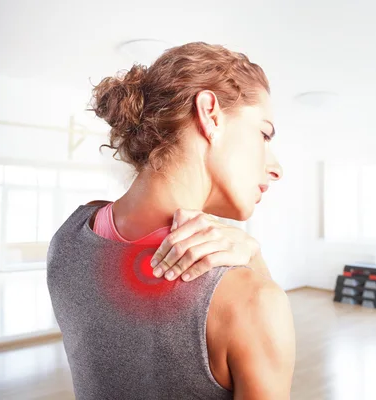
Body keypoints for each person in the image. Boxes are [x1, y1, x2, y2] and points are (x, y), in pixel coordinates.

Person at [47, 42, 296, 400]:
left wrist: (252, 259)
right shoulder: (251, 301)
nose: (276, 168)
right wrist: (256, 277)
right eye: (263, 134)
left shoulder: (67, 238)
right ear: (210, 114)